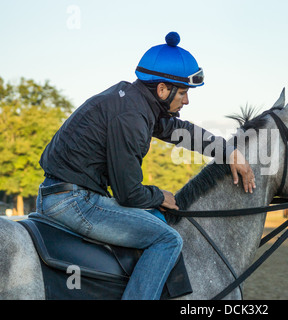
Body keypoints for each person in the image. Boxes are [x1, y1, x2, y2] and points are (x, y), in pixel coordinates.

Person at [34, 32, 255, 300]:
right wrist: (160, 195)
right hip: (74, 202)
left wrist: (228, 151)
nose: (186, 101)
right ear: (162, 89)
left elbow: (179, 130)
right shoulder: (132, 117)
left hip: (63, 194)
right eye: (183, 92)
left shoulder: (134, 102)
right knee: (167, 239)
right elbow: (128, 194)